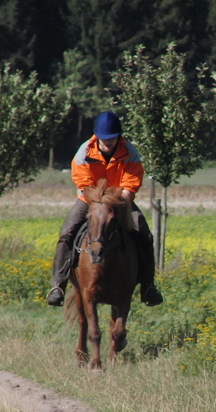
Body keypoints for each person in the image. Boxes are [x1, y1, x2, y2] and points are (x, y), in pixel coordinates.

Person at [46, 111, 163, 307]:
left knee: (144, 232)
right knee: (67, 232)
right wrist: (98, 201)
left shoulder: (130, 152)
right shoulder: (84, 152)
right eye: (104, 139)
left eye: (112, 138)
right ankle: (58, 285)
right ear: (96, 137)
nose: (108, 143)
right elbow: (83, 182)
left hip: (119, 200)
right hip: (89, 199)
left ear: (119, 136)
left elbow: (132, 181)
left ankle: (148, 286)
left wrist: (121, 200)